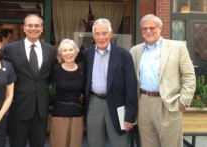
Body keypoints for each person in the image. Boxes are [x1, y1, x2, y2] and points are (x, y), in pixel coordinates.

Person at [130, 14, 196, 147]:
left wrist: (183, 102)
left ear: (160, 28)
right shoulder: (135, 51)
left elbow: (189, 76)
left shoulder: (177, 47)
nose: (148, 31)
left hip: (168, 104)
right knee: (147, 144)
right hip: (143, 103)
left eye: (152, 28)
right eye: (145, 28)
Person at [2, 14, 56, 147]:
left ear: (42, 28)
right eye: (30, 25)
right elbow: (3, 76)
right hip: (19, 107)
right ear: (24, 28)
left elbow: (51, 76)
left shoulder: (50, 50)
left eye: (37, 25)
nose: (33, 28)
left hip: (41, 109)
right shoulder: (10, 49)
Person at [83, 18, 137, 147]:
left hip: (118, 104)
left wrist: (130, 116)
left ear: (111, 34)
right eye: (97, 33)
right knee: (94, 143)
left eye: (104, 33)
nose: (101, 37)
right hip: (94, 104)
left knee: (120, 143)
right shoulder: (87, 54)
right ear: (93, 35)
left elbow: (131, 86)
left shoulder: (124, 55)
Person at [50, 39, 85, 147]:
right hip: (59, 114)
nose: (68, 53)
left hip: (77, 114)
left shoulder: (82, 70)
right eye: (65, 50)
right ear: (60, 53)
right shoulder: (55, 70)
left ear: (76, 52)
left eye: (71, 50)